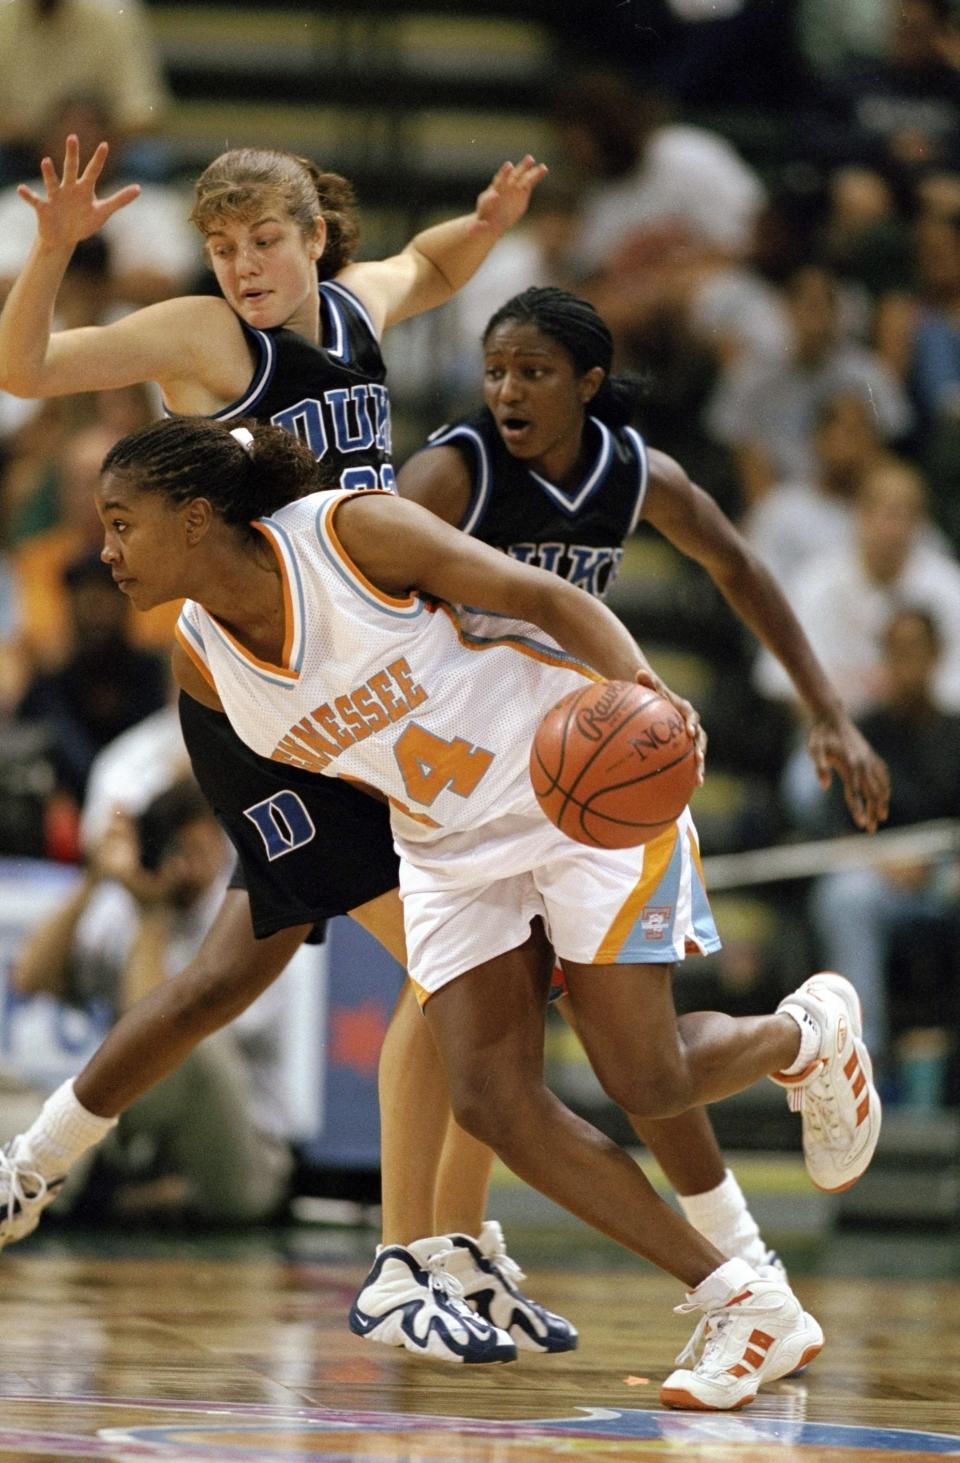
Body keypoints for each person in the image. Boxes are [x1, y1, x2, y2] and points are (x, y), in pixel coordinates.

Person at [73, 410, 884, 1411]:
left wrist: (645, 694)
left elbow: (535, 591)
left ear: (195, 518)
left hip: (576, 776)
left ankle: (806, 1032)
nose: (105, 550)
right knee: (489, 1097)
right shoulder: (201, 657)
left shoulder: (347, 533)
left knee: (645, 1075)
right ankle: (743, 1298)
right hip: (450, 848)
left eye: (123, 522)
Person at [0, 135, 589, 1363]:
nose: (244, 264)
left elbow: (429, 261)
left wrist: (486, 221)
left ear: (316, 235)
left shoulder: (360, 308)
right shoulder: (205, 339)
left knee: (231, 976)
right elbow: (27, 362)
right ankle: (413, 1259)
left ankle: (31, 1160)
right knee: (467, 962)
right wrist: (53, 250)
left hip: (355, 685)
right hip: (261, 698)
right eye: (221, 247)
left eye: (264, 239)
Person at [12, 777, 295, 1225]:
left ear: (221, 844)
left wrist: (151, 918)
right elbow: (31, 979)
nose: (183, 864)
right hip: (145, 1150)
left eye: (197, 847)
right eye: (172, 847)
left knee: (185, 1045)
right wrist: (92, 880)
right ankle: (58, 1180)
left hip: (242, 1164)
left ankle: (48, 1184)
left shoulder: (243, 911)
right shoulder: (125, 904)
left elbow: (162, 1035)